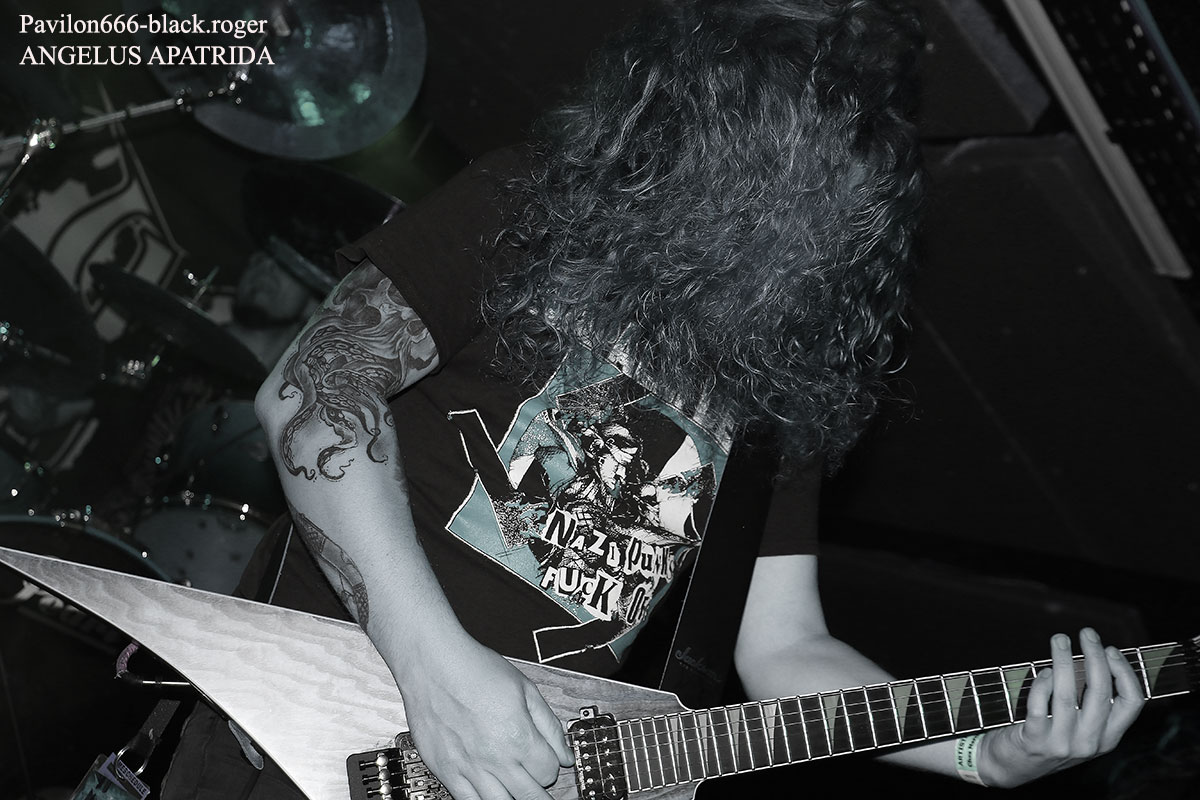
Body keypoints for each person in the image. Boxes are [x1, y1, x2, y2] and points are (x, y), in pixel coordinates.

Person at [162, 1, 1145, 797]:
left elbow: (787, 647)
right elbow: (313, 394)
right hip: (316, 730)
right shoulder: (527, 210)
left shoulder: (780, 376)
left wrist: (979, 753)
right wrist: (438, 672)